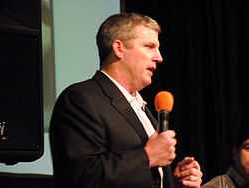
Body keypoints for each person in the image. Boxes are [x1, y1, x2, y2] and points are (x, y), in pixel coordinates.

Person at [49, 12, 202, 188]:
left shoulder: (140, 106)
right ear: (119, 48)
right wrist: (147, 157)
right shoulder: (80, 99)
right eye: (149, 46)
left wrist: (174, 181)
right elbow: (81, 176)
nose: (159, 57)